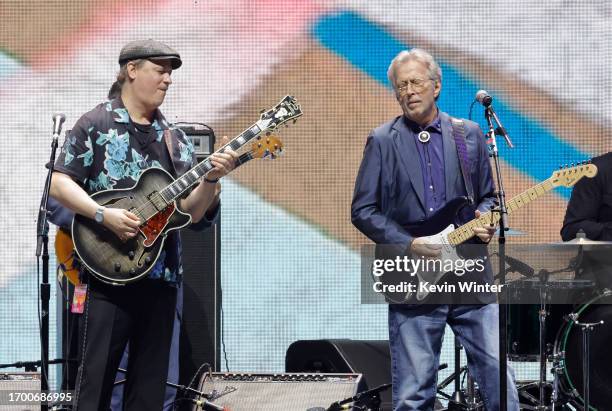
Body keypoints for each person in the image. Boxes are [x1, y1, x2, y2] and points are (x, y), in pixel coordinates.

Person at [50, 39, 237, 410]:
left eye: (170, 72)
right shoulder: (96, 123)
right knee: (95, 387)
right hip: (107, 279)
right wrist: (104, 215)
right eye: (160, 69)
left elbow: (193, 213)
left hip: (160, 279)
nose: (168, 79)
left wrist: (212, 180)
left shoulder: (175, 139)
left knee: (150, 391)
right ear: (131, 70)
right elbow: (59, 182)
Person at [351, 48, 519, 410]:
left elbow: (489, 197)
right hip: (411, 275)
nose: (408, 91)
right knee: (413, 391)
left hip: (469, 271)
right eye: (400, 86)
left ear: (436, 86)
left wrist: (486, 218)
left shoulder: (469, 134)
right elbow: (363, 210)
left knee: (496, 372)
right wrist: (409, 243)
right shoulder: (382, 140)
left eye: (415, 82)